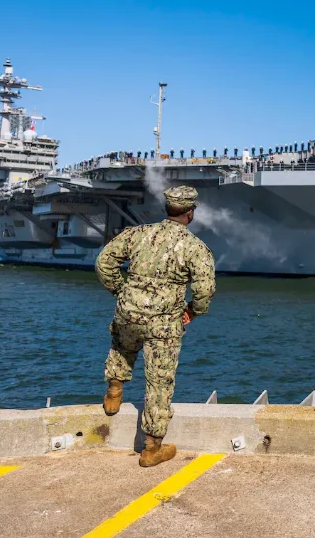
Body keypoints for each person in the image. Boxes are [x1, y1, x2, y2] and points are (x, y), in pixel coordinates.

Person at [96, 185, 216, 467]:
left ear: (167, 208)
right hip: (164, 322)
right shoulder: (195, 247)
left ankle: (114, 392)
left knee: (122, 345)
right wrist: (193, 311)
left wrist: (120, 290)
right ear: (190, 213)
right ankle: (151, 449)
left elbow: (104, 262)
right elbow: (205, 290)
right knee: (159, 382)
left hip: (129, 310)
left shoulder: (137, 233)